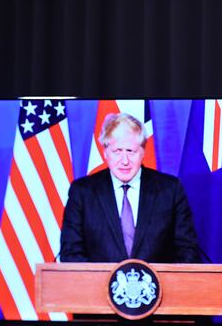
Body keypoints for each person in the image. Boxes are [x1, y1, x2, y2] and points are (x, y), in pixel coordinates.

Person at [60, 113, 200, 263]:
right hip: (97, 286)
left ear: (143, 152)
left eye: (130, 151)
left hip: (160, 286)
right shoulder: (83, 192)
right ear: (105, 153)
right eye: (117, 151)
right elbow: (71, 254)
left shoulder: (170, 190)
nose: (124, 161)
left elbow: (187, 251)